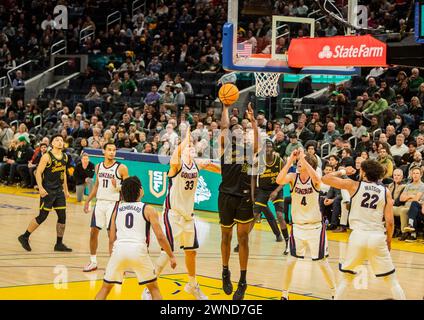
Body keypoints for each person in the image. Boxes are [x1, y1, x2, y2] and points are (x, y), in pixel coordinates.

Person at [143, 128, 219, 300]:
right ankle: (150, 286)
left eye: (192, 146)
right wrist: (185, 139)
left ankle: (192, 285)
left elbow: (215, 167)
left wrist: (231, 171)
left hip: (188, 216)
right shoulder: (176, 165)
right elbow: (175, 156)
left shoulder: (197, 164)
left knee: (191, 252)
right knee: (167, 250)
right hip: (172, 214)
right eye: (188, 146)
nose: (191, 147)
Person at [322, 160, 406, 300]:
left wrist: (343, 172)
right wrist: (389, 241)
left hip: (358, 236)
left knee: (346, 278)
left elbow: (325, 178)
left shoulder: (354, 185)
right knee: (392, 281)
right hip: (377, 236)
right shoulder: (386, 192)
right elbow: (390, 222)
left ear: (364, 172)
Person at [95, 176, 177, 300]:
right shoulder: (148, 209)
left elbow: (112, 238)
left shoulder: (117, 210)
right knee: (153, 289)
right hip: (139, 250)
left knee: (105, 288)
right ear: (140, 191)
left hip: (119, 251)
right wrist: (171, 256)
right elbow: (160, 236)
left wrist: (114, 260)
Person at [276, 149, 336, 300]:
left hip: (315, 227)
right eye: (298, 163)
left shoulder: (314, 179)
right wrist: (290, 159)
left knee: (322, 263)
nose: (298, 164)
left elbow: (318, 177)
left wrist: (304, 158)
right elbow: (278, 180)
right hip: (297, 227)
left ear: (308, 164)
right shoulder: (293, 177)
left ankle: (335, 292)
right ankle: (285, 294)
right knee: (290, 261)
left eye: (300, 163)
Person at [218, 102, 258, 300]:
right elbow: (224, 127)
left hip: (244, 197)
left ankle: (243, 280)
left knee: (243, 238)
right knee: (226, 237)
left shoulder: (250, 150)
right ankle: (225, 271)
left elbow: (257, 142)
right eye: (237, 129)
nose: (241, 131)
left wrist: (253, 121)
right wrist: (224, 107)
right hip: (226, 195)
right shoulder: (225, 148)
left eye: (243, 129)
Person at [18, 134, 72, 252]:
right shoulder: (47, 157)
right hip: (48, 191)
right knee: (42, 216)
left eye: (61, 140)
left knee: (62, 217)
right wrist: (41, 188)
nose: (59, 142)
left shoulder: (65, 157)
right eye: (56, 140)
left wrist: (66, 190)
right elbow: (38, 173)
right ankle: (24, 236)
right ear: (52, 143)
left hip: (59, 192)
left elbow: (64, 175)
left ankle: (59, 244)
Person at [83, 143, 129, 272]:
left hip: (113, 204)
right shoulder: (98, 167)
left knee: (112, 236)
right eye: (109, 150)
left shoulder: (121, 168)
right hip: (100, 203)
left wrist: (118, 186)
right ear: (104, 151)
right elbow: (97, 186)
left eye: (114, 150)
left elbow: (129, 187)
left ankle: (117, 265)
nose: (112, 152)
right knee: (93, 233)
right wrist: (88, 201)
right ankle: (93, 261)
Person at [253, 139, 289, 252]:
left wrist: (276, 191)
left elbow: (284, 178)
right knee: (255, 215)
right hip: (262, 190)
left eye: (270, 147)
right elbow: (253, 177)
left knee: (279, 215)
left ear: (273, 148)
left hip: (276, 189)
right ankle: (241, 242)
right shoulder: (258, 161)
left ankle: (287, 241)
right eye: (266, 147)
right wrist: (253, 193)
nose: (268, 149)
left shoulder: (279, 160)